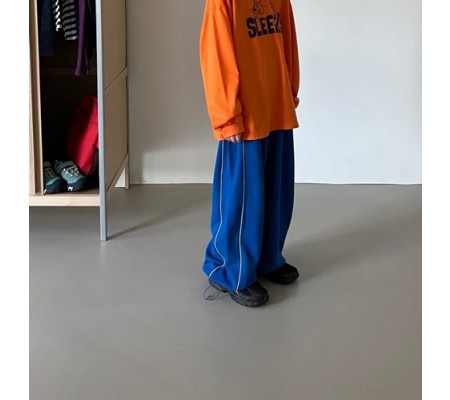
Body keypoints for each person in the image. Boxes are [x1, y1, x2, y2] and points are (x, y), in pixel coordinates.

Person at [199, 0, 301, 307]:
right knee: (242, 200)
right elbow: (216, 54)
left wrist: (289, 91)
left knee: (276, 194)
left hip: (275, 104)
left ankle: (269, 258)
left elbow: (288, 41)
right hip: (246, 116)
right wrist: (227, 116)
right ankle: (229, 271)